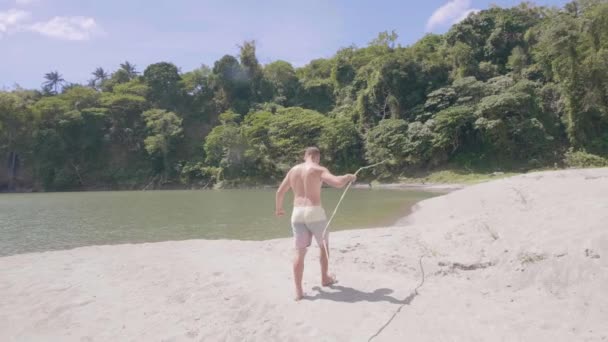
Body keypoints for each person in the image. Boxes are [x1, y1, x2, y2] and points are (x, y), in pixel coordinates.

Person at [275, 147, 356, 301]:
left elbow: (280, 192)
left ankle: (298, 291)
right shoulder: (318, 169)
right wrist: (348, 177)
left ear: (305, 156)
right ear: (317, 157)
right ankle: (325, 278)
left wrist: (279, 209)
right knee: (323, 247)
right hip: (314, 212)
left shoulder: (293, 170)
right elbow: (338, 183)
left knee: (299, 252)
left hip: (297, 213)